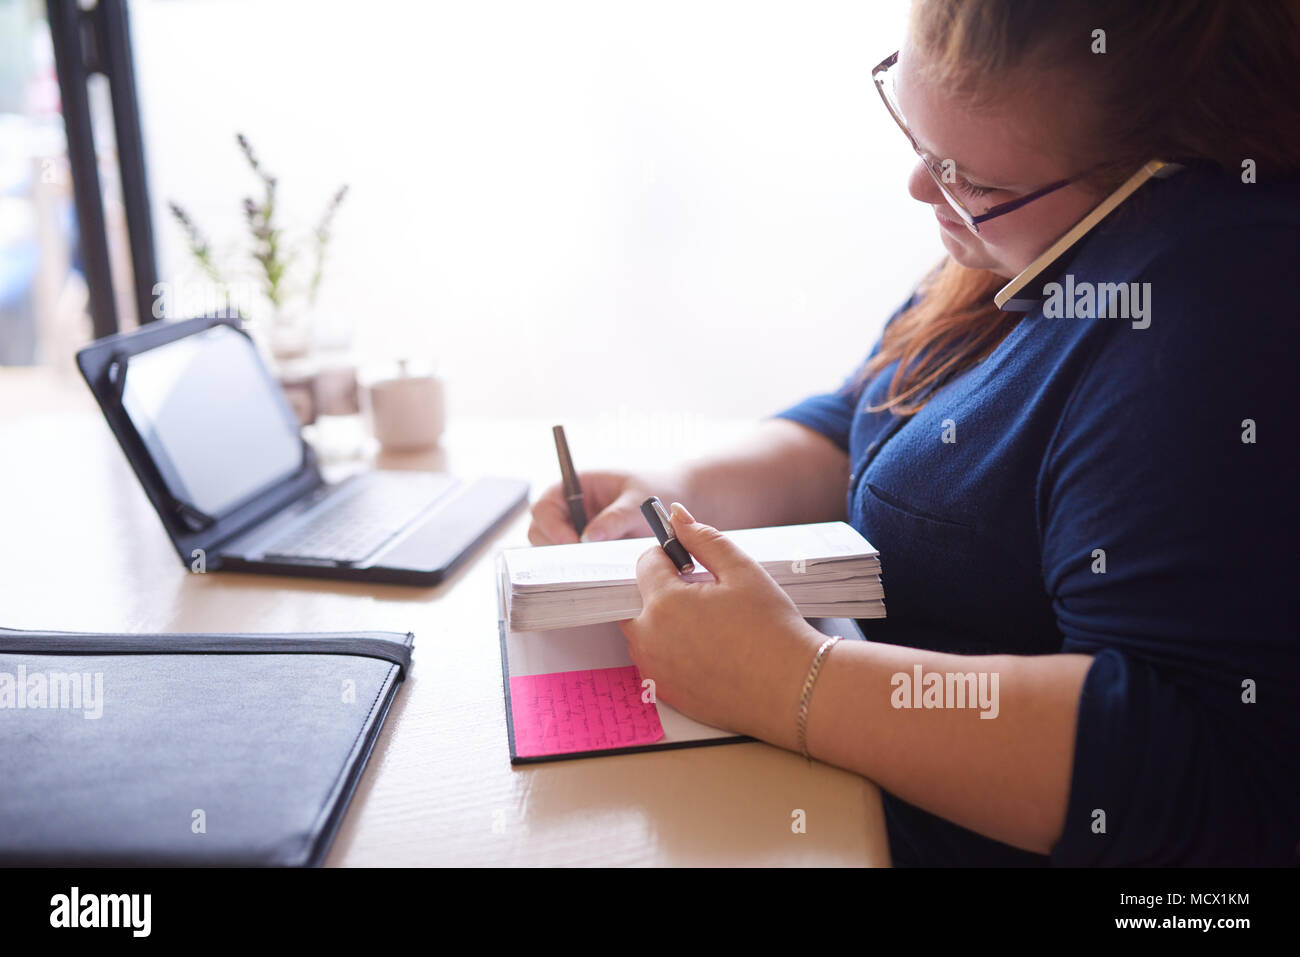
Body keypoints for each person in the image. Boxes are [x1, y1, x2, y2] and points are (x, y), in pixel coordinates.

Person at [528, 0, 1300, 866]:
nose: (922, 188)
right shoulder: (1026, 241)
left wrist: (792, 680)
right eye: (913, 130)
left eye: (973, 180)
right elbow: (865, 420)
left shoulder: (1209, 323)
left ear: (1162, 173)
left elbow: (1204, 771)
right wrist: (674, 492)